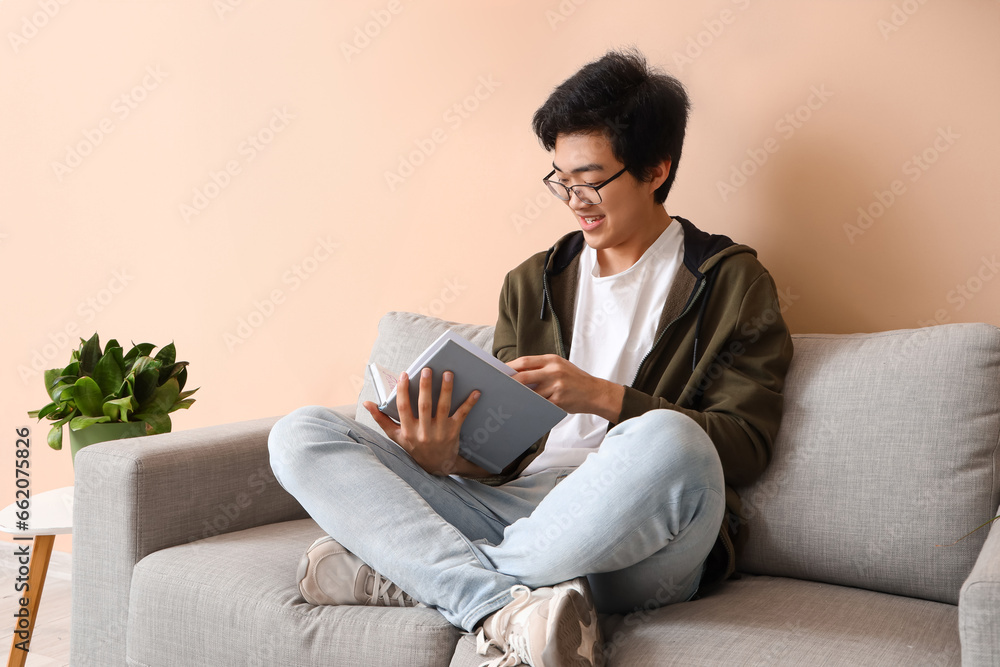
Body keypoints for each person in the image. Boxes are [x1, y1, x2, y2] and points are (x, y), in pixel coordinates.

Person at [268, 48, 793, 667]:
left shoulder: (730, 281)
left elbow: (745, 444)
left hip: (642, 532)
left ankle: (417, 576)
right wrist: (445, 457)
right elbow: (504, 456)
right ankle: (502, 608)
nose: (575, 200)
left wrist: (605, 397)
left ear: (656, 169)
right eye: (560, 180)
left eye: (591, 180)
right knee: (301, 433)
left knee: (669, 439)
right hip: (518, 510)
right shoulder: (532, 281)